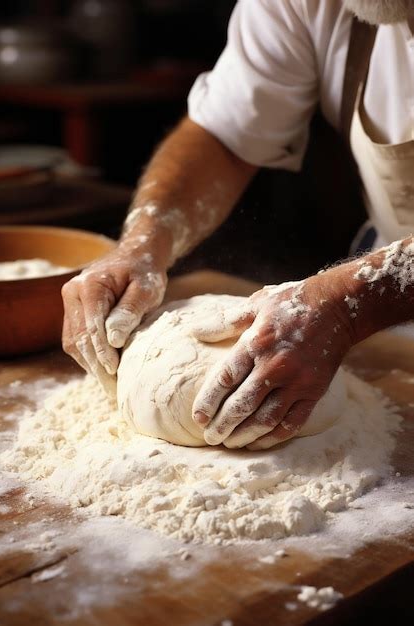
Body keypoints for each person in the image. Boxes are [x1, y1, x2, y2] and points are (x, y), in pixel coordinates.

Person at [62, 0, 414, 449]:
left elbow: (350, 303)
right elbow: (224, 137)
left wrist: (347, 305)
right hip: (390, 302)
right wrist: (145, 240)